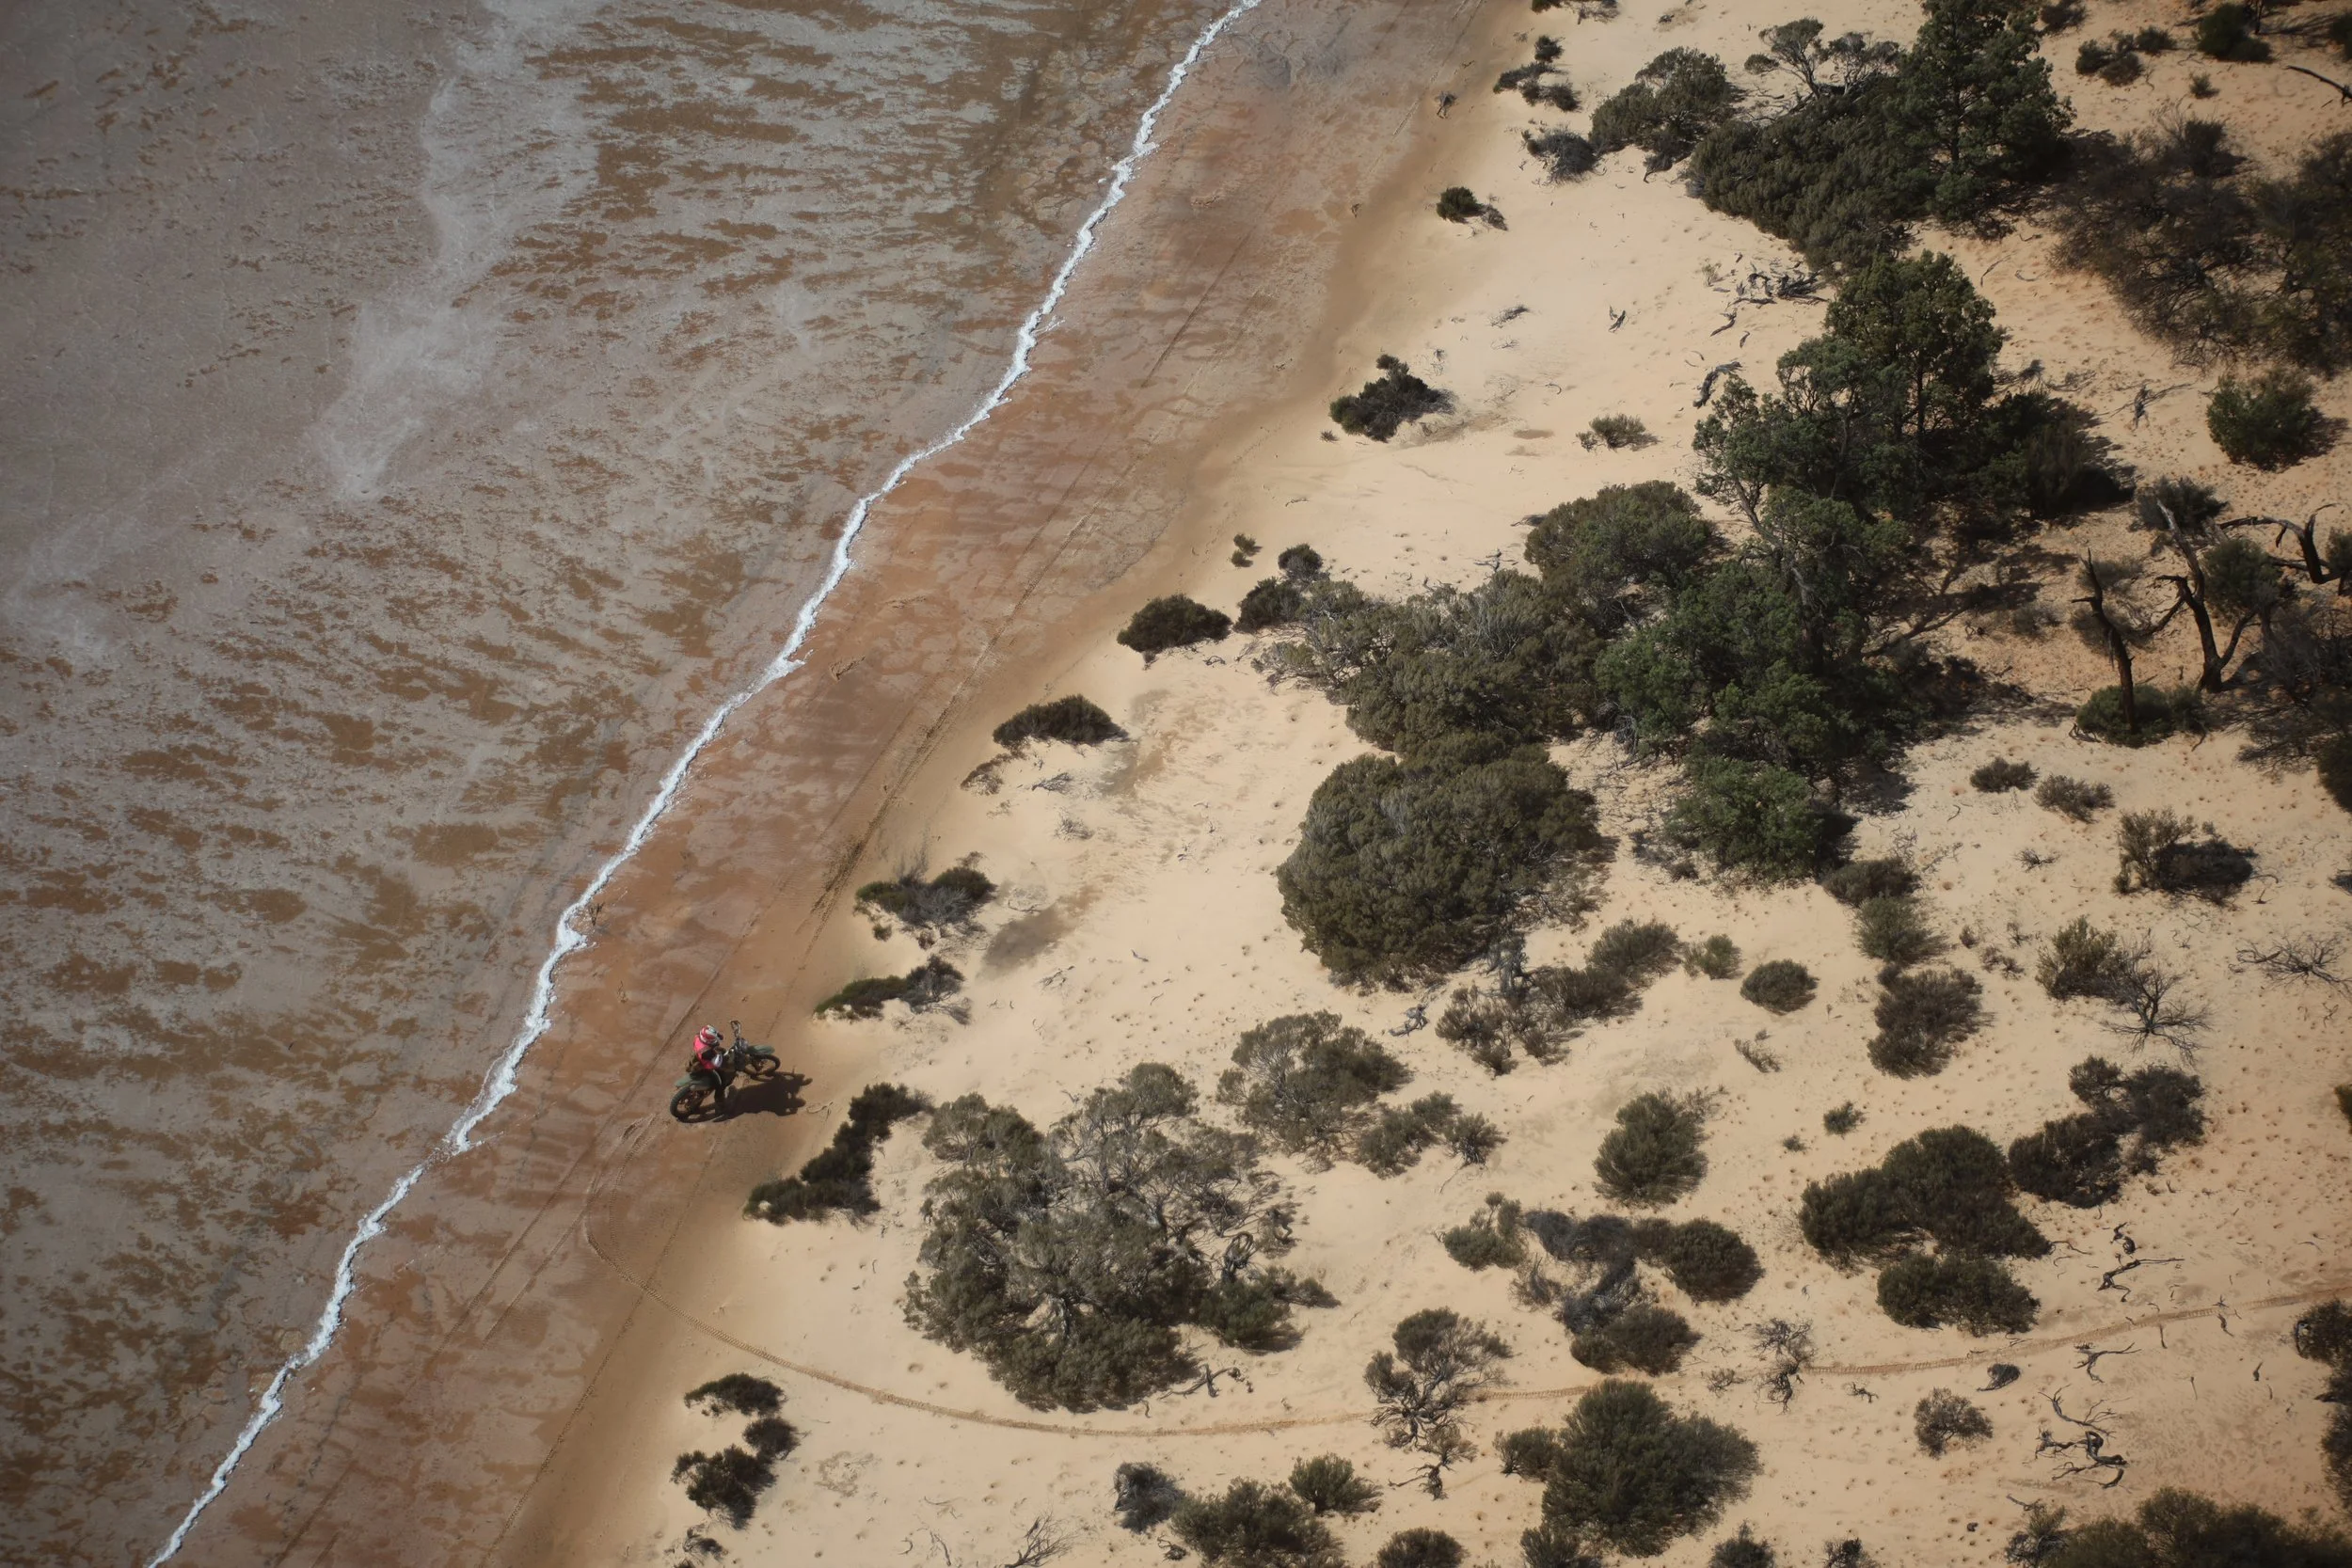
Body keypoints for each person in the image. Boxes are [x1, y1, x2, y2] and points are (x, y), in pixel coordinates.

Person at [688, 1024, 731, 1108]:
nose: (714, 1041)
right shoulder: (706, 1051)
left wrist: (718, 1035)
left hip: (695, 1060)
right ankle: (719, 1099)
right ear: (706, 1040)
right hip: (705, 1066)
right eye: (712, 1040)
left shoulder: (698, 1036)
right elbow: (717, 1061)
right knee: (722, 1082)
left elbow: (713, 1034)